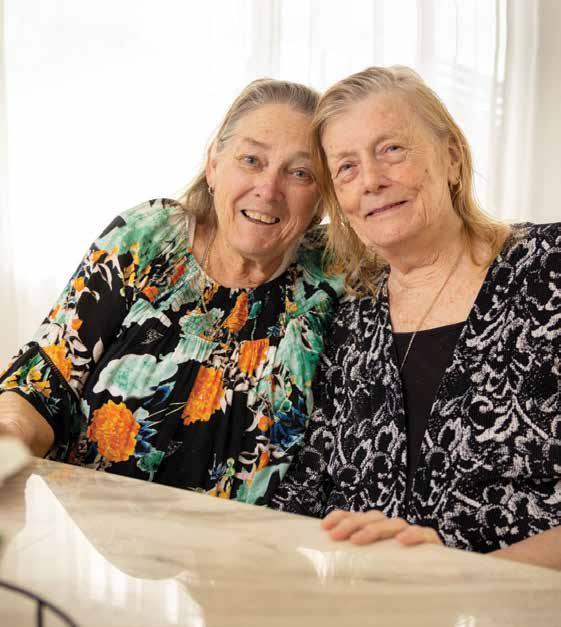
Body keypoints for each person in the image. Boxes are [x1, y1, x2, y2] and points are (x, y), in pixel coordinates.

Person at [0, 79, 344, 505]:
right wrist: (9, 436)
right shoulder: (148, 238)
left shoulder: (331, 283)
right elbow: (43, 384)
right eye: (252, 159)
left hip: (245, 545)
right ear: (214, 164)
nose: (269, 190)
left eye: (300, 173)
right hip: (91, 533)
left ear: (322, 199)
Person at [271, 66, 561, 569]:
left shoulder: (549, 267)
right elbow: (304, 494)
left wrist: (465, 575)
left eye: (391, 150)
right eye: (346, 168)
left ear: (451, 158)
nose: (372, 181)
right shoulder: (351, 315)